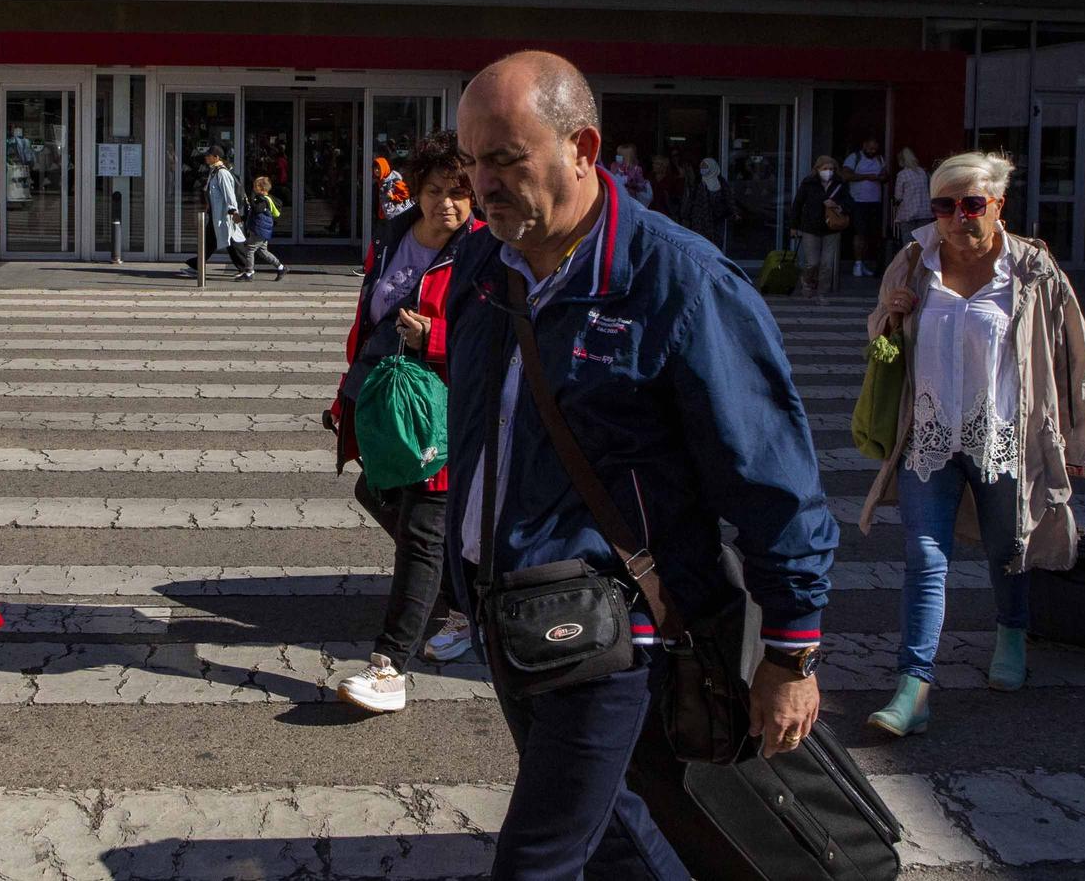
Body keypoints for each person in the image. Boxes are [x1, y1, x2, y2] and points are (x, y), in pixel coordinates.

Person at [446, 52, 836, 881]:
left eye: (506, 160)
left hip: (614, 626)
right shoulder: (484, 268)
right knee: (617, 833)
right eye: (472, 162)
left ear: (583, 147)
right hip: (506, 609)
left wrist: (791, 653)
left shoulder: (680, 283)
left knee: (538, 860)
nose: (483, 184)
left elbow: (771, 478)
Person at [860, 151, 1085, 737]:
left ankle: (1011, 634)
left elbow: (1075, 356)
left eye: (971, 204)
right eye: (944, 205)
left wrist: (1083, 441)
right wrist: (888, 317)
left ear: (997, 204)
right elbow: (879, 336)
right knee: (924, 558)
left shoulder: (1033, 269)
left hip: (1004, 434)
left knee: (1006, 546)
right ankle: (913, 687)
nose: (956, 217)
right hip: (929, 434)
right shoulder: (915, 259)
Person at [330, 132, 485, 711]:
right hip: (386, 402)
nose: (447, 203)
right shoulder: (392, 239)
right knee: (375, 489)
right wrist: (344, 399)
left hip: (442, 414)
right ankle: (463, 600)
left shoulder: (482, 251)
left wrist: (436, 337)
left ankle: (390, 666)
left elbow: (499, 336)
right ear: (415, 189)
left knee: (422, 534)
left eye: (460, 193)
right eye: (436, 189)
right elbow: (368, 324)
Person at [180, 145, 248, 278]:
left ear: (216, 157)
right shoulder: (214, 171)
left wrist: (233, 211)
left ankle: (246, 268)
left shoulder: (222, 173)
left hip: (224, 214)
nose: (206, 157)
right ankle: (197, 266)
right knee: (211, 241)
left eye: (208, 155)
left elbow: (229, 194)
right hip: (216, 214)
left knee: (231, 241)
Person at [789, 155, 849, 299]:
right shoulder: (809, 183)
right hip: (811, 227)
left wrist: (838, 206)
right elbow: (797, 204)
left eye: (832, 169)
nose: (829, 172)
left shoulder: (839, 183)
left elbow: (849, 202)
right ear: (817, 169)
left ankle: (822, 293)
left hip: (832, 227)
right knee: (813, 262)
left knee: (827, 264)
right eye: (825, 169)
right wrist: (793, 226)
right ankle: (807, 281)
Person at [843, 136, 888, 277]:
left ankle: (864, 263)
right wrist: (867, 176)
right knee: (859, 233)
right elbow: (845, 175)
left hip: (875, 201)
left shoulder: (880, 159)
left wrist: (881, 177)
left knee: (869, 234)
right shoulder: (854, 157)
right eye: (870, 148)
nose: (872, 151)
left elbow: (885, 175)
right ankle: (857, 263)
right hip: (858, 202)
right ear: (864, 145)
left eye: (875, 149)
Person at [237, 174, 287, 282]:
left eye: (256, 186)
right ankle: (281, 267)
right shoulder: (260, 199)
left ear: (262, 189)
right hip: (260, 229)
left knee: (250, 249)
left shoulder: (264, 200)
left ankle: (249, 272)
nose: (253, 188)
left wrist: (250, 200)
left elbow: (257, 210)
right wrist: (243, 218)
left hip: (260, 230)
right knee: (262, 251)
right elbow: (254, 214)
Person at [676, 156, 732, 248]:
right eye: (701, 167)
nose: (703, 170)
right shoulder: (699, 183)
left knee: (715, 245)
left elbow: (727, 199)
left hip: (715, 221)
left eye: (705, 167)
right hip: (700, 221)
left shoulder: (721, 183)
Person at [893, 147, 932, 249]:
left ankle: (910, 264)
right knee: (923, 243)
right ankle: (921, 264)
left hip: (908, 212)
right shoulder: (922, 172)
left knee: (909, 244)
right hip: (925, 212)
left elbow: (898, 196)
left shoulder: (902, 174)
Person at [605, 143, 654, 208]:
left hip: (631, 199)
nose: (618, 156)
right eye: (618, 154)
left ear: (628, 157)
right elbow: (611, 178)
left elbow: (641, 185)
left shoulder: (637, 169)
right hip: (617, 196)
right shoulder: (614, 165)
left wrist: (633, 184)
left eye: (620, 155)